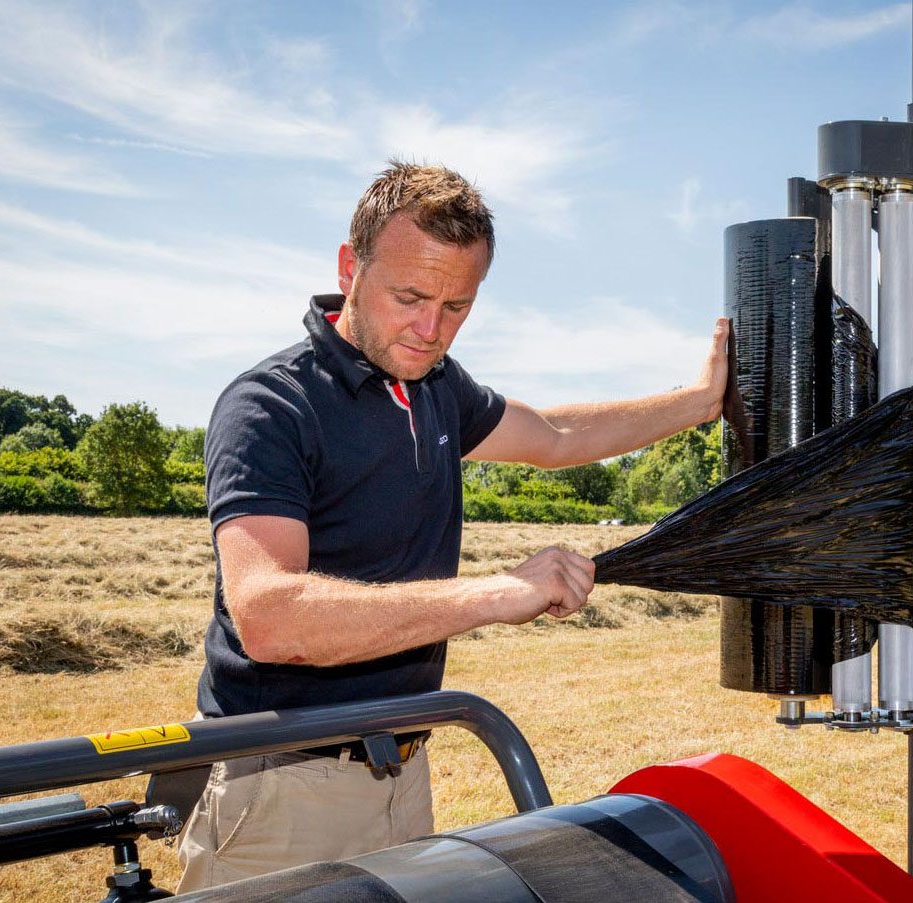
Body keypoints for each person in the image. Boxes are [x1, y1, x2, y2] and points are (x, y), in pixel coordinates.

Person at [176, 160, 729, 891]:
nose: (431, 329)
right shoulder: (271, 407)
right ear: (350, 268)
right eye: (409, 296)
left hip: (402, 770)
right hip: (282, 785)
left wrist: (697, 402)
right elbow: (272, 618)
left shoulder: (434, 386)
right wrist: (498, 592)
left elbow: (555, 433)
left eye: (457, 306)